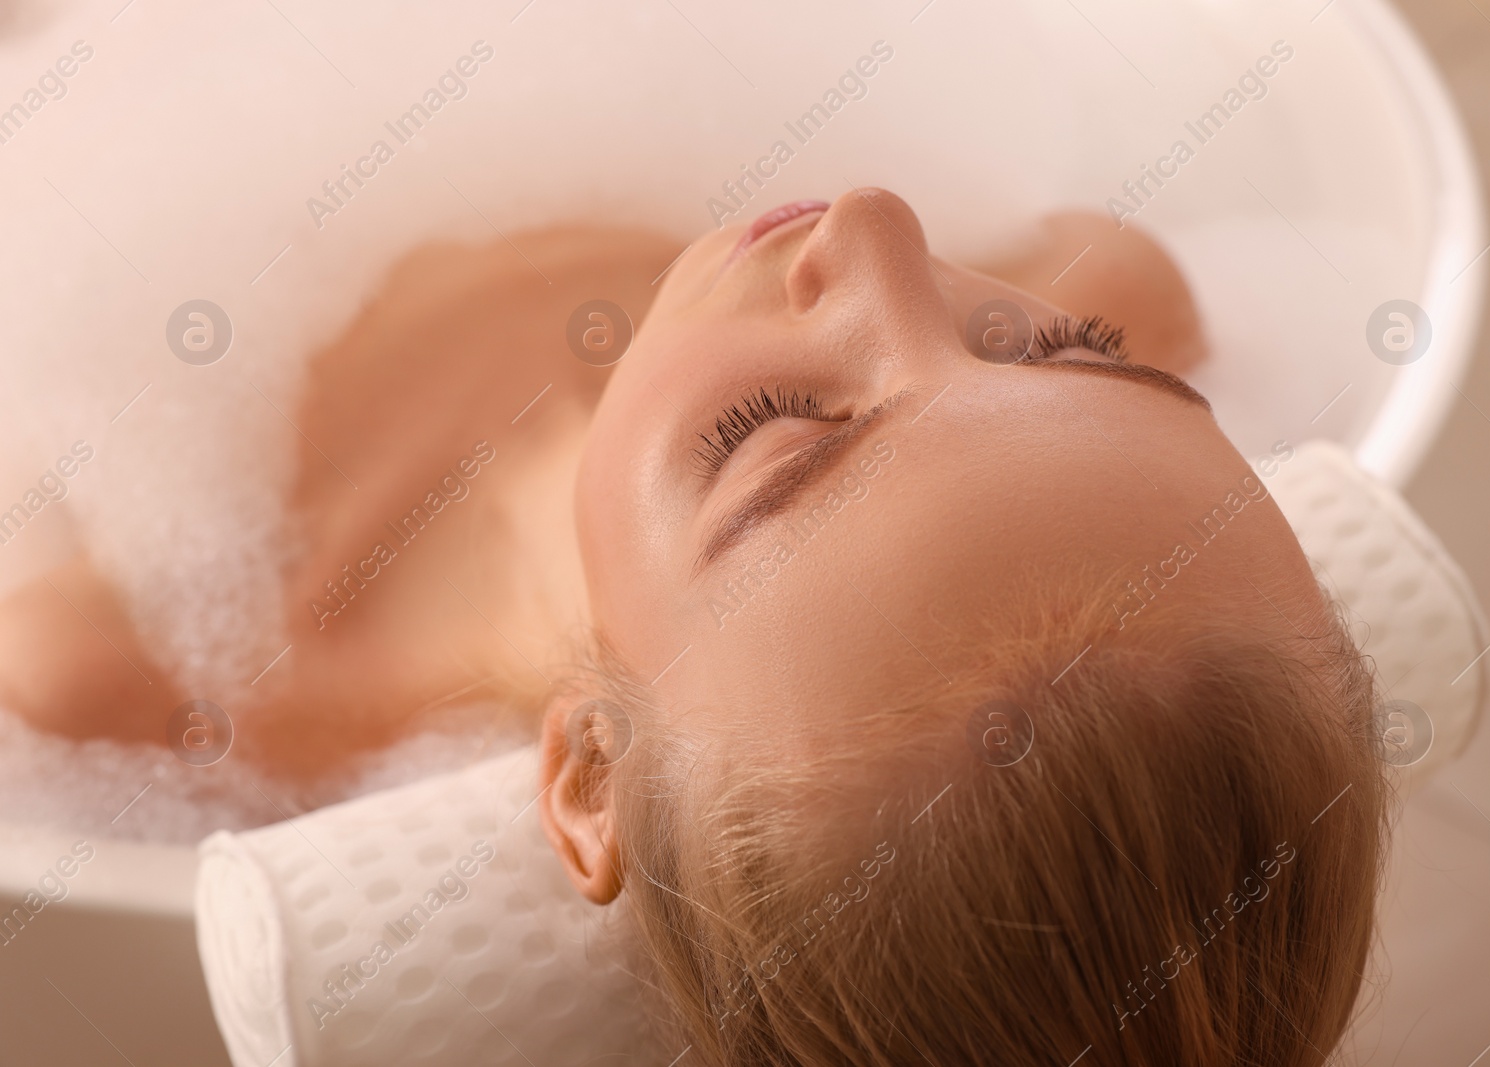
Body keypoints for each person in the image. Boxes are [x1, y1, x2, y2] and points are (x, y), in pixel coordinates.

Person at [0, 188, 1386, 1063]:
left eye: (770, 434)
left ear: (594, 771)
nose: (879, 227)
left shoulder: (135, 657)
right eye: (1063, 349)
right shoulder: (1124, 274)